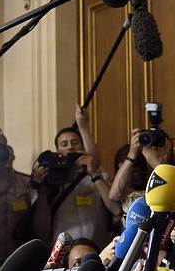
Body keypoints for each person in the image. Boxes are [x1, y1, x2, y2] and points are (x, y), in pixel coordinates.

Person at [0, 131, 50, 271]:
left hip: (18, 266)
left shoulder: (27, 184)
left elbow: (42, 233)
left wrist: (41, 190)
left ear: (7, 151)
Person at [41, 105, 121, 249]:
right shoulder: (53, 178)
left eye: (75, 142)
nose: (70, 147)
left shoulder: (97, 174)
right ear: (58, 150)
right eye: (64, 144)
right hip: (63, 247)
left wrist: (83, 126)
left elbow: (115, 208)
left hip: (97, 244)